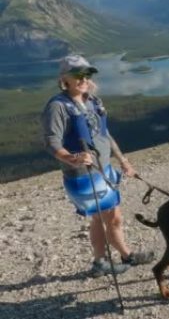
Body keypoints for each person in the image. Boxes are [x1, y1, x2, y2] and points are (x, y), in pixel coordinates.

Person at [41, 55, 154, 277]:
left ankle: (102, 261)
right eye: (78, 75)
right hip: (83, 176)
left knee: (104, 218)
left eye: (87, 74)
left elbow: (104, 134)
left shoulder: (93, 101)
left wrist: (123, 161)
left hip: (104, 170)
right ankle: (123, 256)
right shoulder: (57, 106)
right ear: (65, 79)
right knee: (111, 218)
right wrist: (72, 158)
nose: (84, 79)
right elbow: (50, 141)